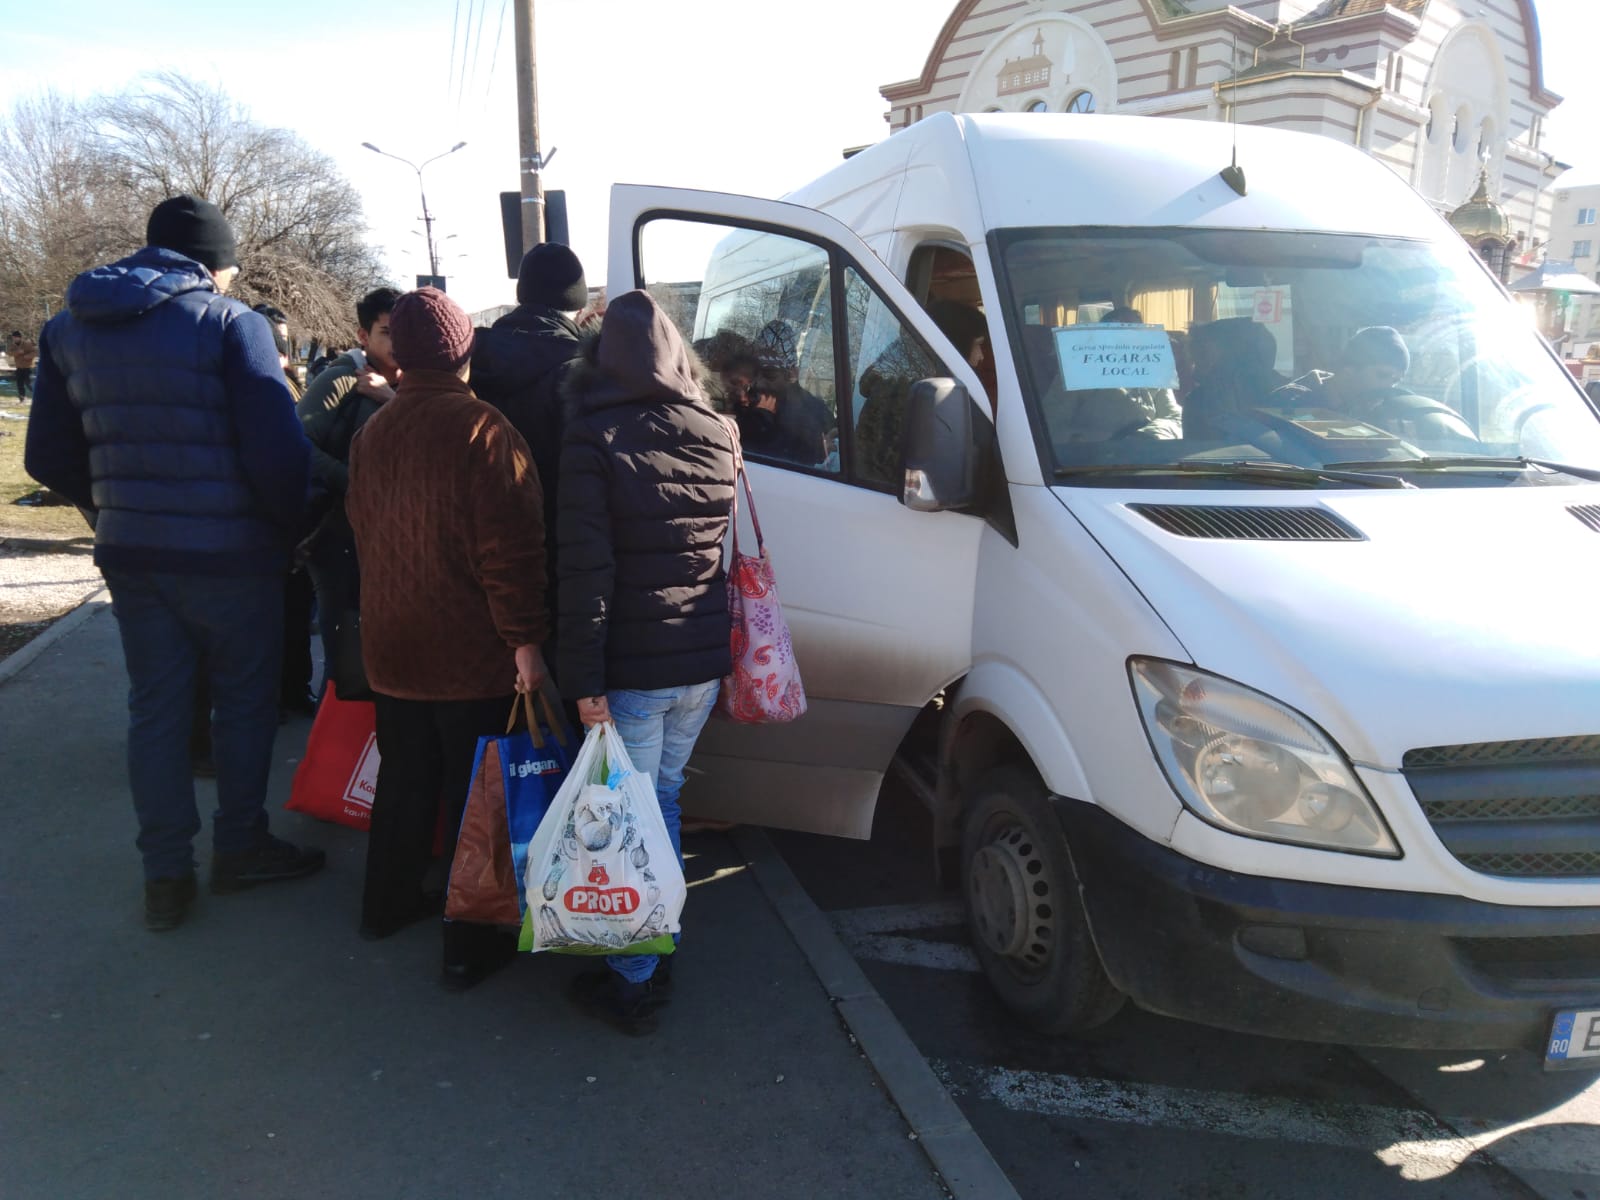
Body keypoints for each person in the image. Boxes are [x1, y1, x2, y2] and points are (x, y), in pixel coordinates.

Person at [24, 194, 324, 931]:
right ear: (213, 264)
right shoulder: (232, 324)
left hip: (132, 554)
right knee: (244, 705)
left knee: (155, 709)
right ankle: (241, 846)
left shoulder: (67, 328)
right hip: (233, 558)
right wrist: (291, 531)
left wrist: (115, 503)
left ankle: (164, 875)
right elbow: (278, 457)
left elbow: (45, 456)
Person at [345, 287, 549, 989]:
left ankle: (385, 904)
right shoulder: (484, 428)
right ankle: (468, 943)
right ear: (465, 349)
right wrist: (526, 642)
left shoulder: (374, 431)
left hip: (391, 644)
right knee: (475, 798)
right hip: (468, 651)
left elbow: (362, 529)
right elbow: (512, 552)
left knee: (404, 781)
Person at [558, 289, 737, 1035]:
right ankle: (658, 944)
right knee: (661, 802)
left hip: (633, 667)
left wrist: (582, 682)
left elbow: (585, 574)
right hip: (700, 661)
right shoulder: (718, 430)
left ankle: (635, 978)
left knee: (631, 819)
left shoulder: (593, 437)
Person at [469, 242, 590, 627]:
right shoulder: (581, 370)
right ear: (578, 305)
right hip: (555, 546)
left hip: (480, 545)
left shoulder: (470, 359)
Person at [295, 286, 402, 699]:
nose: (397, 343)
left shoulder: (404, 383)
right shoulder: (342, 380)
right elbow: (297, 447)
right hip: (336, 536)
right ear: (363, 335)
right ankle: (335, 734)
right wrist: (352, 480)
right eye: (386, 332)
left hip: (380, 538)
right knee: (345, 654)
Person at [253, 302, 317, 717]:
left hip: (288, 517)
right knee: (274, 618)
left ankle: (293, 690)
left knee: (293, 614)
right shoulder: (263, 387)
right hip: (272, 521)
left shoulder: (286, 383)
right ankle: (278, 695)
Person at [1275, 325, 1475, 441]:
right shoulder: (1291, 402)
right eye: (1382, 375)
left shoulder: (1383, 412)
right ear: (1349, 369)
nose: (1389, 387)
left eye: (1396, 380)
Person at [732, 319, 832, 467]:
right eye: (755, 374)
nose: (760, 382)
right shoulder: (746, 404)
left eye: (769, 375)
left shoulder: (815, 414)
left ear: (791, 374)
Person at [1182, 316, 1286, 441]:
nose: (1195, 372)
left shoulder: (1287, 398)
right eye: (1195, 359)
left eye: (1203, 355)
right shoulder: (1197, 402)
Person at [10, 330, 36, 401]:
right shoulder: (13, 345)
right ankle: (22, 398)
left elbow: (34, 352)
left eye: (15, 337)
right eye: (13, 338)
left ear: (19, 337)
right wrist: (18, 352)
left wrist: (27, 356)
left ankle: (38, 395)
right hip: (19, 367)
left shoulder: (27, 344)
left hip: (28, 367)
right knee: (19, 383)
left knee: (28, 383)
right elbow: (10, 353)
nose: (14, 339)